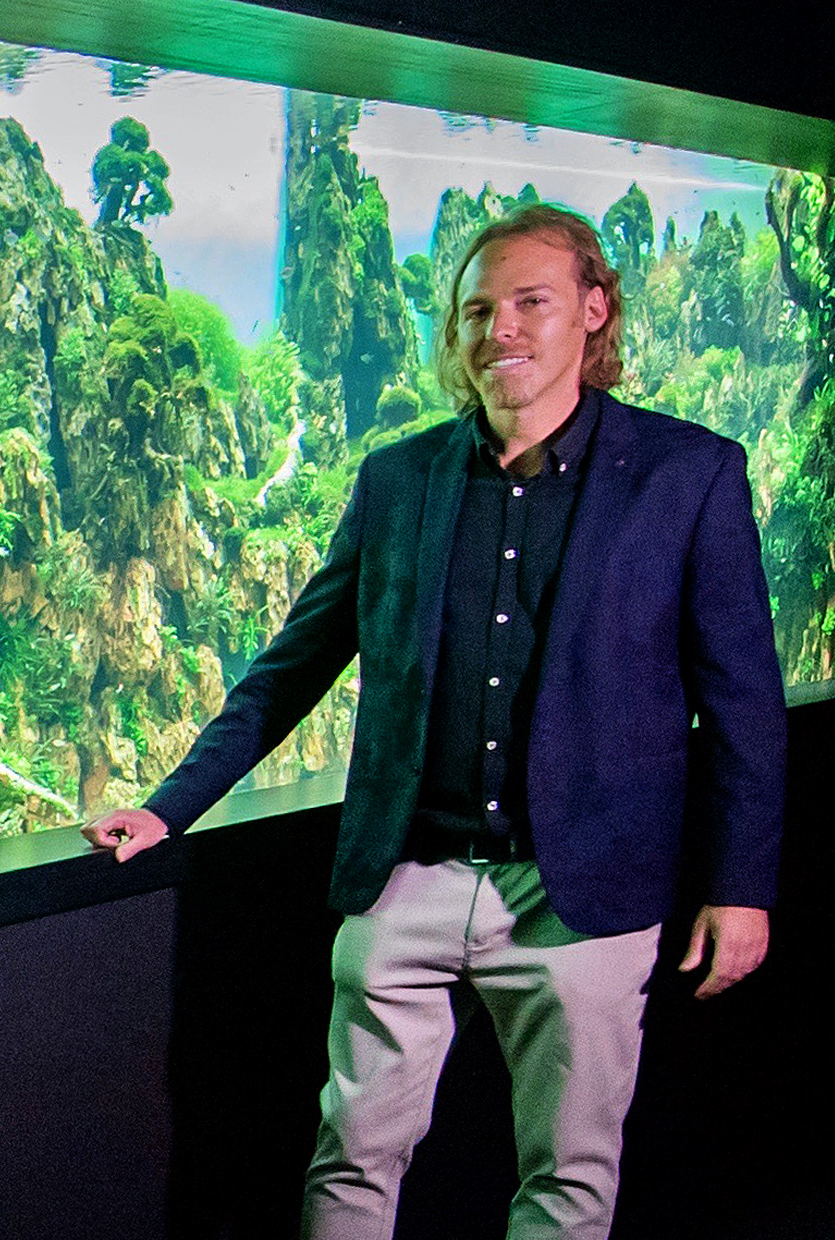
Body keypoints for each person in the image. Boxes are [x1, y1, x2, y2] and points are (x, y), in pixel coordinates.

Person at [83, 204, 786, 1240]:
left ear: (594, 311)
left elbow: (743, 704)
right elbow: (292, 668)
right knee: (351, 1158)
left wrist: (741, 888)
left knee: (568, 1181)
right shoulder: (397, 478)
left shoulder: (691, 476)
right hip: (407, 874)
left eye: (530, 302)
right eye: (476, 309)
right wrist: (168, 807)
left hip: (582, 889)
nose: (499, 327)